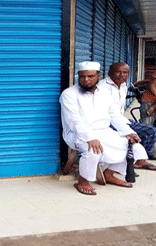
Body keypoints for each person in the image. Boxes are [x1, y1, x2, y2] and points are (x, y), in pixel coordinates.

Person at [59, 61, 150, 196]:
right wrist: (89, 138)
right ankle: (83, 181)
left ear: (98, 76)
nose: (86, 80)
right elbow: (73, 120)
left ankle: (109, 173)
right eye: (82, 76)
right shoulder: (69, 94)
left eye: (90, 76)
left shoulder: (104, 93)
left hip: (104, 131)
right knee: (93, 151)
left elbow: (115, 116)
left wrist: (129, 132)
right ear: (78, 76)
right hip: (77, 133)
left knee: (134, 146)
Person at [98, 62, 156, 169]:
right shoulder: (103, 87)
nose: (121, 75)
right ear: (110, 72)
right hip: (107, 122)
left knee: (151, 131)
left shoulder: (123, 85)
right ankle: (128, 163)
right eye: (118, 72)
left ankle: (140, 161)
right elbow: (107, 113)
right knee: (130, 137)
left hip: (120, 119)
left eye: (125, 72)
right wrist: (125, 128)